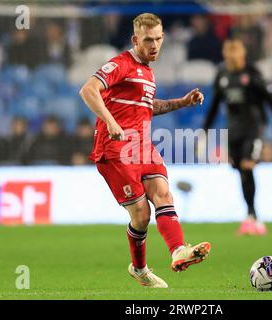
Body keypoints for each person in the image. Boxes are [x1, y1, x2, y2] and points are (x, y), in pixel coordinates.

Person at [79, 13, 210, 289]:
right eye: (148, 40)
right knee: (141, 215)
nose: (155, 45)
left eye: (159, 39)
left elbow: (147, 107)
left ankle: (178, 252)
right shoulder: (120, 64)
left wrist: (182, 102)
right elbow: (88, 90)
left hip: (142, 146)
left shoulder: (147, 72)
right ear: (135, 39)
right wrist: (110, 121)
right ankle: (139, 269)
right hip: (114, 149)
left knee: (163, 193)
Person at [204, 38, 272, 236]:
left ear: (242, 55)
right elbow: (214, 105)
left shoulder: (253, 75)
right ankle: (251, 215)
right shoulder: (222, 75)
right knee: (241, 172)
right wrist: (204, 130)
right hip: (233, 130)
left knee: (247, 165)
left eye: (235, 54)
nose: (232, 58)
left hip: (253, 128)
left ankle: (252, 215)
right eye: (229, 54)